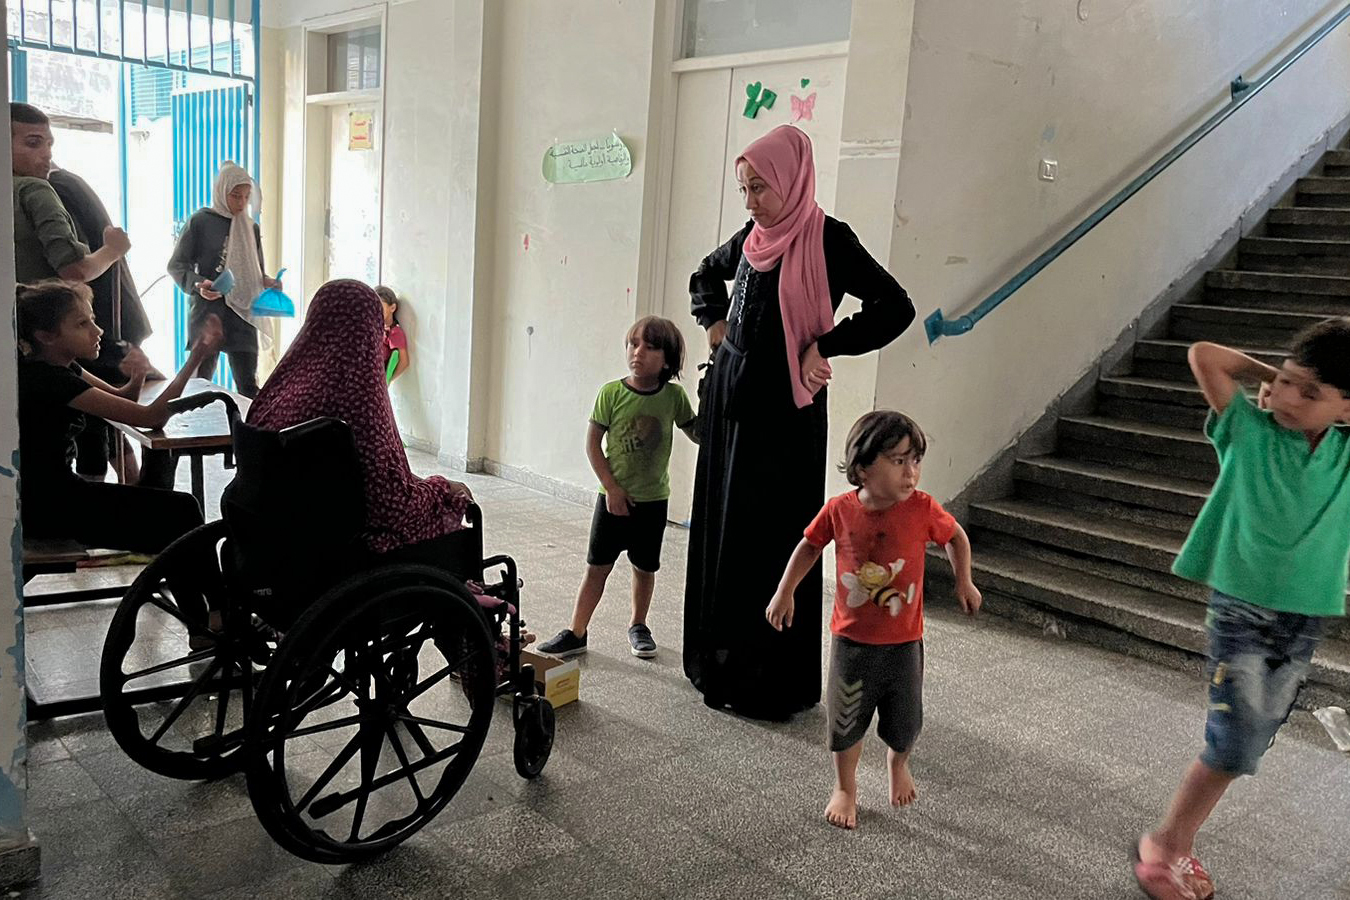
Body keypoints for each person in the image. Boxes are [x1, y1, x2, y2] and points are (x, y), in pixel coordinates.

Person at [684, 124, 916, 720]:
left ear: (791, 179)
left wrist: (825, 345)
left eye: (760, 187)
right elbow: (704, 276)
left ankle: (769, 682)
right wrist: (715, 324)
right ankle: (718, 662)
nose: (751, 201)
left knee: (774, 536)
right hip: (732, 404)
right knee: (727, 531)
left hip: (786, 414)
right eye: (744, 189)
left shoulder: (829, 239)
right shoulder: (752, 237)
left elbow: (896, 307)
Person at [1133, 319, 1350, 900]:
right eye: (1288, 382)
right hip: (1241, 613)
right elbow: (1205, 355)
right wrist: (1275, 376)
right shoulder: (1248, 430)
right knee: (1233, 742)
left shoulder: (1344, 455)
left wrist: (1304, 385)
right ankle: (1164, 848)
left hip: (1302, 620)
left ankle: (1178, 843)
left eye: (1311, 392)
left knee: (1247, 746)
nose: (1290, 397)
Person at [766, 411, 980, 830]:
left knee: (906, 721)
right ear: (862, 467)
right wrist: (784, 590)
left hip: (905, 643)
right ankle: (845, 788)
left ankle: (898, 764)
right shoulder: (840, 510)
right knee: (845, 722)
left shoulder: (922, 509)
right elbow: (809, 546)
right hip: (852, 643)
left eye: (915, 460)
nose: (911, 472)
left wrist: (964, 581)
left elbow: (955, 537)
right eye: (898, 461)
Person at [246, 280, 475, 557]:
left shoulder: (275, 394)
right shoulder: (357, 398)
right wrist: (440, 488)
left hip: (269, 542)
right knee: (454, 516)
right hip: (336, 550)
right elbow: (389, 506)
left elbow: (369, 471)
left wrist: (417, 481)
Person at [16, 280, 220, 553]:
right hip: (48, 506)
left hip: (48, 497)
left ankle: (188, 578)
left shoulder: (62, 367)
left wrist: (137, 376)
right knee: (183, 510)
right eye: (82, 324)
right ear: (46, 336)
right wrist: (195, 359)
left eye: (92, 320)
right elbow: (151, 418)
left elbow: (121, 398)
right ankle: (200, 581)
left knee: (172, 506)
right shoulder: (50, 380)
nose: (98, 330)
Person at [538, 316, 698, 660]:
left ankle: (639, 625)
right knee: (597, 567)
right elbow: (593, 445)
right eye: (633, 344)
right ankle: (576, 631)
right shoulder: (611, 393)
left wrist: (716, 404)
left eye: (650, 347)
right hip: (612, 500)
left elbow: (698, 433)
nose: (638, 352)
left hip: (653, 501)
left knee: (645, 568)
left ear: (667, 360)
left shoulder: (673, 397)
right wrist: (611, 488)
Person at [49, 165, 158, 484]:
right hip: (106, 317)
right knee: (104, 417)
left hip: (97, 317)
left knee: (95, 423)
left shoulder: (51, 189)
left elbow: (76, 270)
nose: (43, 154)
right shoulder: (66, 183)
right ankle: (131, 485)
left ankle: (109, 490)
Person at [167, 161, 279, 398]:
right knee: (199, 384)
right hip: (209, 312)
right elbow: (176, 265)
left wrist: (268, 282)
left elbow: (255, 272)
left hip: (242, 314)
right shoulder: (200, 222)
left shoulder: (250, 227)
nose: (241, 203)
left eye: (246, 197)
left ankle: (248, 423)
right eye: (235, 196)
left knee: (248, 386)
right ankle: (195, 423)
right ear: (221, 191)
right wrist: (198, 284)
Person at [10, 103, 131, 286]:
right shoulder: (34, 190)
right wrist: (113, 250)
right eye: (33, 143)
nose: (47, 154)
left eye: (49, 144)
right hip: (42, 304)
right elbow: (75, 271)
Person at [374, 285, 410, 383]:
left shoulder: (395, 333)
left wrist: (387, 381)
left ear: (392, 308)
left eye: (381, 307)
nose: (377, 311)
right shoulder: (377, 327)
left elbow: (404, 362)